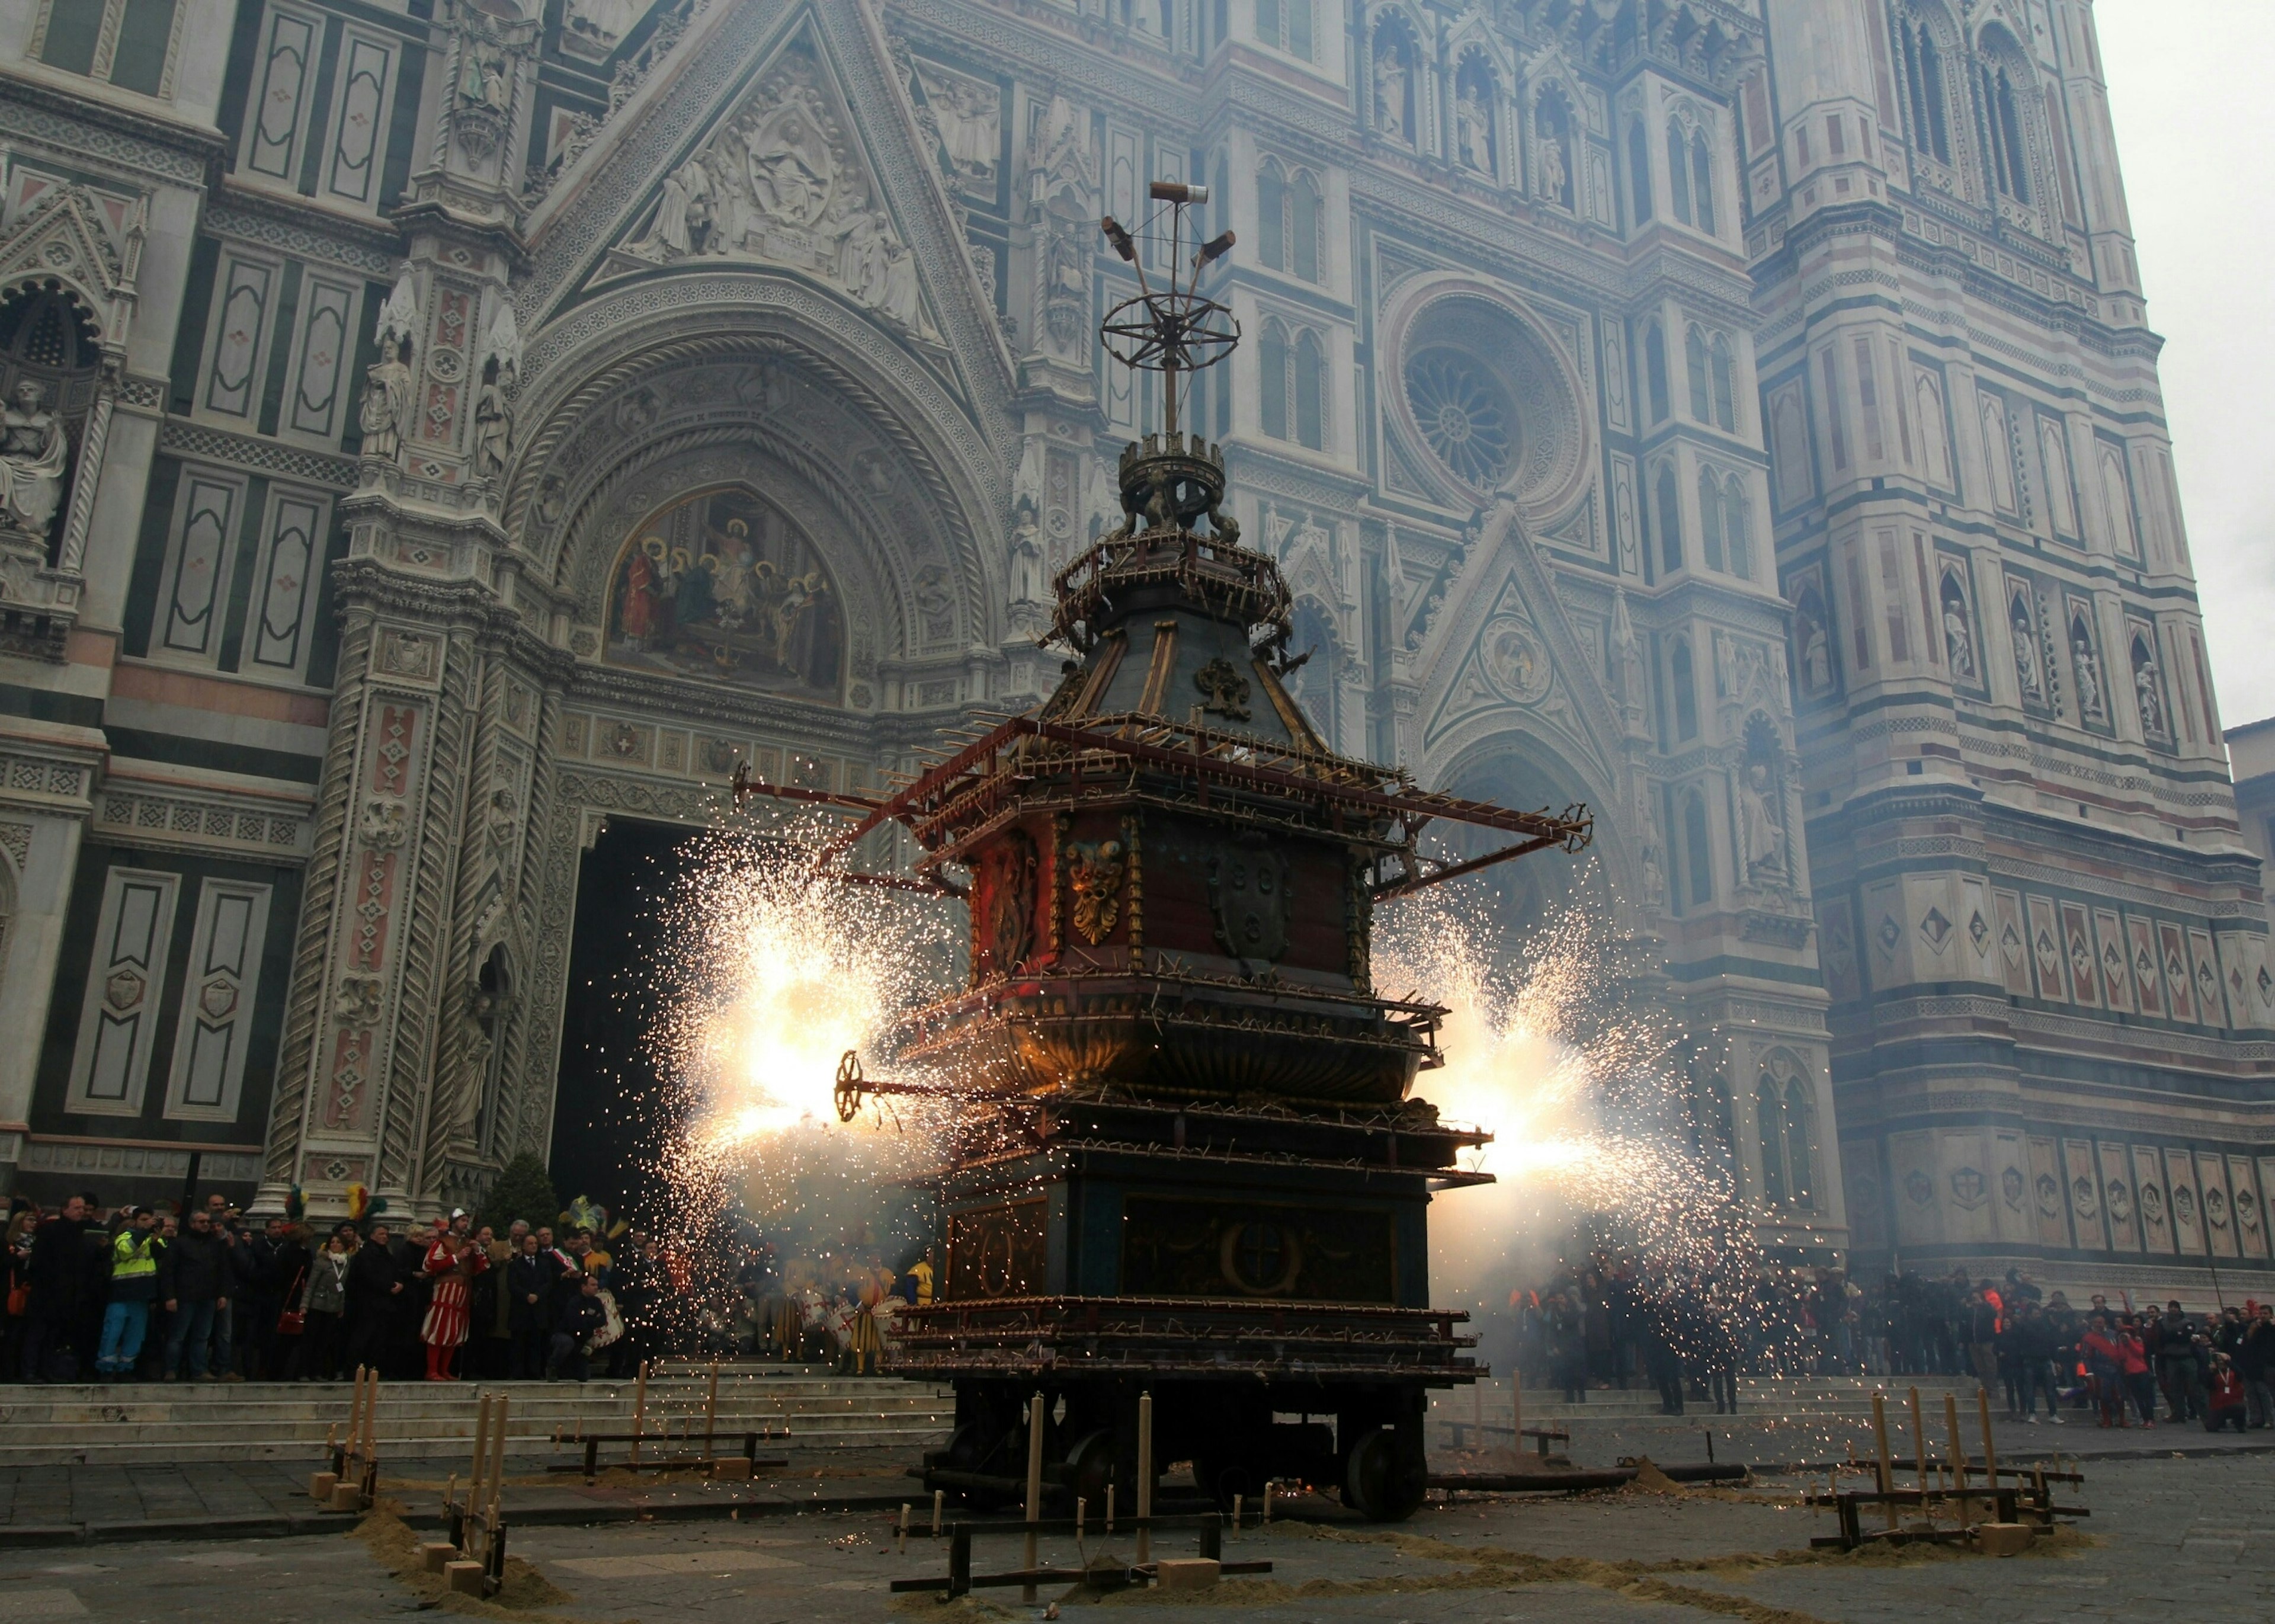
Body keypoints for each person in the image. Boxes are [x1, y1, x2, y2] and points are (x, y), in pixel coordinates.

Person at [158, 1207, 229, 1381]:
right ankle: (171, 1369)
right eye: (202, 1222)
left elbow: (222, 1271)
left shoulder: (215, 1245)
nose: (206, 1225)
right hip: (185, 1297)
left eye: (208, 1222)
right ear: (192, 1224)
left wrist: (222, 1294)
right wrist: (170, 1296)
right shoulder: (180, 1244)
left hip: (208, 1297)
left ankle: (199, 1370)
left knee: (202, 1336)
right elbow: (168, 1272)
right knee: (177, 1336)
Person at [96, 1207, 161, 1380]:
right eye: (144, 1220)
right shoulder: (123, 1238)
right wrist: (143, 1233)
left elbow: (164, 1255)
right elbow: (126, 1251)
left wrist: (156, 1239)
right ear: (134, 1222)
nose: (148, 1223)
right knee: (112, 1333)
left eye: (151, 1220)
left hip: (141, 1296)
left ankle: (127, 1368)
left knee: (135, 1334)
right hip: (121, 1294)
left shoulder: (153, 1240)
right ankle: (106, 1368)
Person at [418, 1220, 488, 1380]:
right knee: (439, 1328)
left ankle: (445, 1370)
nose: (466, 1224)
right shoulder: (443, 1241)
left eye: (467, 1221)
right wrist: (455, 1257)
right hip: (445, 1288)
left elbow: (481, 1268)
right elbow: (430, 1265)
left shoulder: (468, 1242)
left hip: (463, 1290)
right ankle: (432, 1370)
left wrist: (477, 1251)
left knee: (454, 1330)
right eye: (463, 1221)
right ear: (454, 1222)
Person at [342, 1222, 405, 1376]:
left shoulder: (387, 1254)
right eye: (381, 1234)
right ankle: (354, 1371)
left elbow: (395, 1271)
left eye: (386, 1234)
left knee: (380, 1339)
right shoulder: (365, 1254)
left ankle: (374, 1369)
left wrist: (400, 1285)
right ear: (372, 1236)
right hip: (368, 1303)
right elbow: (368, 1276)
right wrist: (390, 1285)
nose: (384, 1237)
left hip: (385, 1303)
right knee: (363, 1337)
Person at [295, 1229, 354, 1380]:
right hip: (317, 1303)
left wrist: (341, 1306)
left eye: (338, 1242)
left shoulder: (346, 1262)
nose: (335, 1245)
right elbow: (311, 1284)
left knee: (325, 1341)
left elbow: (343, 1286)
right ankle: (303, 1372)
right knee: (311, 1339)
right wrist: (304, 1304)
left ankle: (317, 1371)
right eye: (332, 1242)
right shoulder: (322, 1261)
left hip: (333, 1306)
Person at [548, 1273, 606, 1381]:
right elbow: (574, 1323)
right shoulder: (575, 1301)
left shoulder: (597, 1302)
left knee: (583, 1377)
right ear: (584, 1287)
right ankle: (552, 1367)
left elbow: (602, 1320)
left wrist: (586, 1321)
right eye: (593, 1285)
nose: (596, 1287)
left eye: (597, 1285)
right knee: (567, 1343)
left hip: (583, 1339)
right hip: (565, 1335)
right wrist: (592, 1320)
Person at [2238, 1302, 2274, 1429]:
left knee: (2265, 1393)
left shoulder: (2271, 1328)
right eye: (2261, 1313)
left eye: (2266, 1314)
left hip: (2265, 1366)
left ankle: (2270, 1419)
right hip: (2250, 1365)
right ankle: (2256, 1419)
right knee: (2252, 1394)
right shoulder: (2255, 1328)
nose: (2263, 1316)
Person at [2204, 1351, 2248, 1433]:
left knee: (2241, 1408)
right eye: (2219, 1360)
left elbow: (2240, 1373)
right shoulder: (2214, 1373)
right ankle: (2221, 1422)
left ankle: (2240, 1425)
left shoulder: (2234, 1373)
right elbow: (2208, 1386)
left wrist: (2228, 1361)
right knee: (2210, 1428)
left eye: (2223, 1360)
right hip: (2218, 1406)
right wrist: (2211, 1372)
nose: (2221, 1362)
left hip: (2233, 1404)